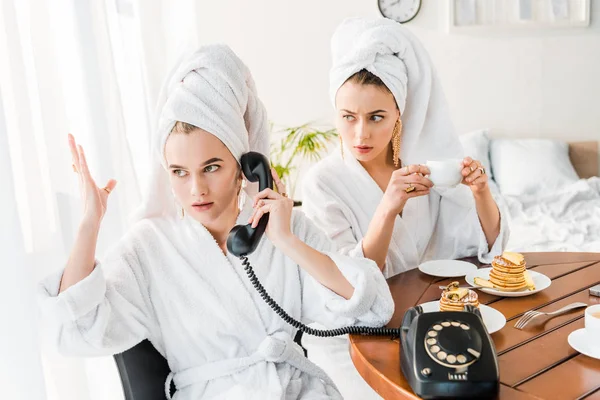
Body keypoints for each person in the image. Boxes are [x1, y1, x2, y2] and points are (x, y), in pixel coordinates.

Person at [38, 45, 394, 400]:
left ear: (244, 165)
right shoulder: (149, 247)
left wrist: (286, 240)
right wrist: (89, 224)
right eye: (179, 172)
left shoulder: (284, 229)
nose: (196, 190)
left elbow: (371, 305)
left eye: (211, 167)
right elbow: (75, 330)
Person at [301, 17, 509, 399]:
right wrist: (388, 206)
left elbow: (482, 247)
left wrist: (481, 193)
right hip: (353, 338)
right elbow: (350, 287)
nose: (360, 134)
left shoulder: (421, 169)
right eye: (348, 117)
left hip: (426, 322)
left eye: (376, 117)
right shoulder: (322, 183)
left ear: (399, 114)